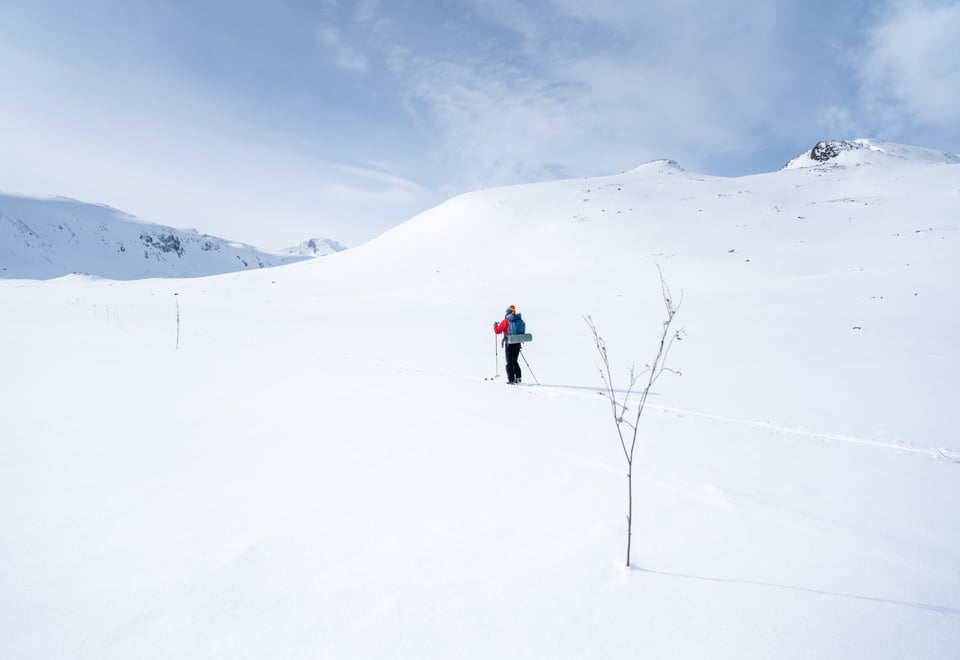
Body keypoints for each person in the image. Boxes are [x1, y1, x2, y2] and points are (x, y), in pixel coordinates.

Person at [493, 305, 523, 384]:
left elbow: (498, 331)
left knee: (509, 362)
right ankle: (518, 377)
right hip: (517, 342)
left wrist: (495, 326)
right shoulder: (518, 319)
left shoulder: (506, 321)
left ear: (508, 312)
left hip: (509, 343)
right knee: (515, 361)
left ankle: (511, 380)